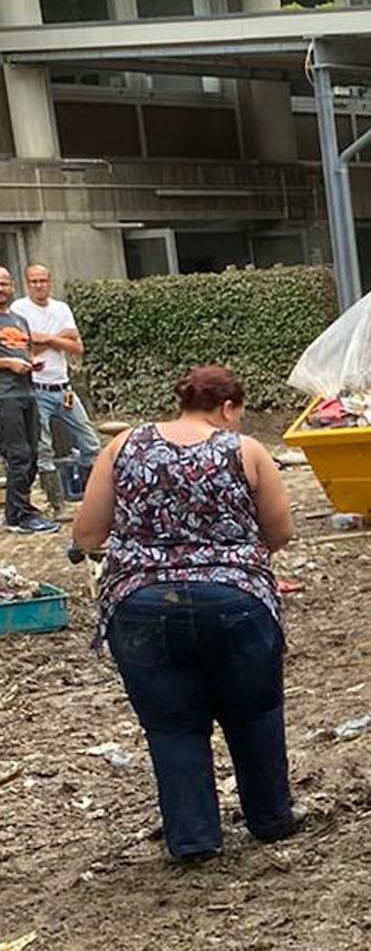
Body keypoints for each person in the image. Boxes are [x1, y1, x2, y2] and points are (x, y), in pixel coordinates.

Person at [72, 366, 297, 861]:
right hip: (235, 600)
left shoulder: (123, 446)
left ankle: (193, 837)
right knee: (254, 711)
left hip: (141, 603)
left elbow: (87, 533)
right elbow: (279, 531)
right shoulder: (246, 451)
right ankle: (271, 818)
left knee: (172, 725)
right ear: (228, 409)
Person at [11, 263, 102, 515]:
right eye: (34, 281)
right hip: (36, 387)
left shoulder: (61, 308)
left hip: (64, 387)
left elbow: (77, 347)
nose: (40, 286)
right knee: (44, 448)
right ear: (27, 284)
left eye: (43, 280)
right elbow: (25, 350)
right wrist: (60, 337)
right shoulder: (19, 309)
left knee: (90, 442)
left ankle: (90, 497)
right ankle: (57, 505)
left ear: (50, 281)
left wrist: (46, 338)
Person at [0, 268, 55, 534]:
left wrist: (32, 362)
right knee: (18, 455)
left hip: (27, 392)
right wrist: (7, 363)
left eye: (6, 283)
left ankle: (19, 509)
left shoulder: (19, 319)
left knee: (32, 455)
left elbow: (26, 349)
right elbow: (9, 358)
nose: (2, 288)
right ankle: (18, 517)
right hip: (4, 396)